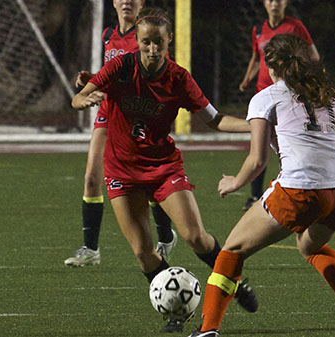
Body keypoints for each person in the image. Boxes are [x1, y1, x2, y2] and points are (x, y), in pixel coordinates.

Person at [72, 7, 258, 333]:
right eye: (146, 43)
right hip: (121, 171)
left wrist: (256, 127)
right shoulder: (119, 67)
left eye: (159, 42)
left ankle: (232, 282)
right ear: (137, 41)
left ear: (169, 39)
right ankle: (175, 309)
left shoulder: (179, 78)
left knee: (196, 237)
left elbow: (214, 120)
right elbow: (79, 96)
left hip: (162, 166)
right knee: (144, 253)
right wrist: (84, 99)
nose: (152, 50)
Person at [189, 34, 335, 337]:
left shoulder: (267, 97)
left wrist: (234, 182)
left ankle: (207, 330)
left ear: (270, 67)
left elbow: (257, 160)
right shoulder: (333, 97)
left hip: (302, 190)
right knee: (310, 245)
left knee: (231, 250)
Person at [65, 0, 178, 268]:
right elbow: (114, 74)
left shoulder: (149, 34)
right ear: (114, 2)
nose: (127, 1)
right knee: (92, 176)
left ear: (142, 3)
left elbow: (158, 76)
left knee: (148, 182)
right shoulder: (108, 35)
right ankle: (91, 249)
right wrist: (91, 81)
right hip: (110, 112)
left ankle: (166, 236)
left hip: (139, 115)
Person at [238, 0, 320, 211]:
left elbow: (313, 56)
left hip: (288, 95)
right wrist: (248, 78)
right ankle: (256, 196)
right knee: (261, 144)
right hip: (264, 93)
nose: (275, 3)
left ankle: (298, 186)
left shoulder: (295, 27)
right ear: (264, 3)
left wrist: (301, 77)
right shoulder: (258, 29)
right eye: (270, 0)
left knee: (288, 141)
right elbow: (257, 57)